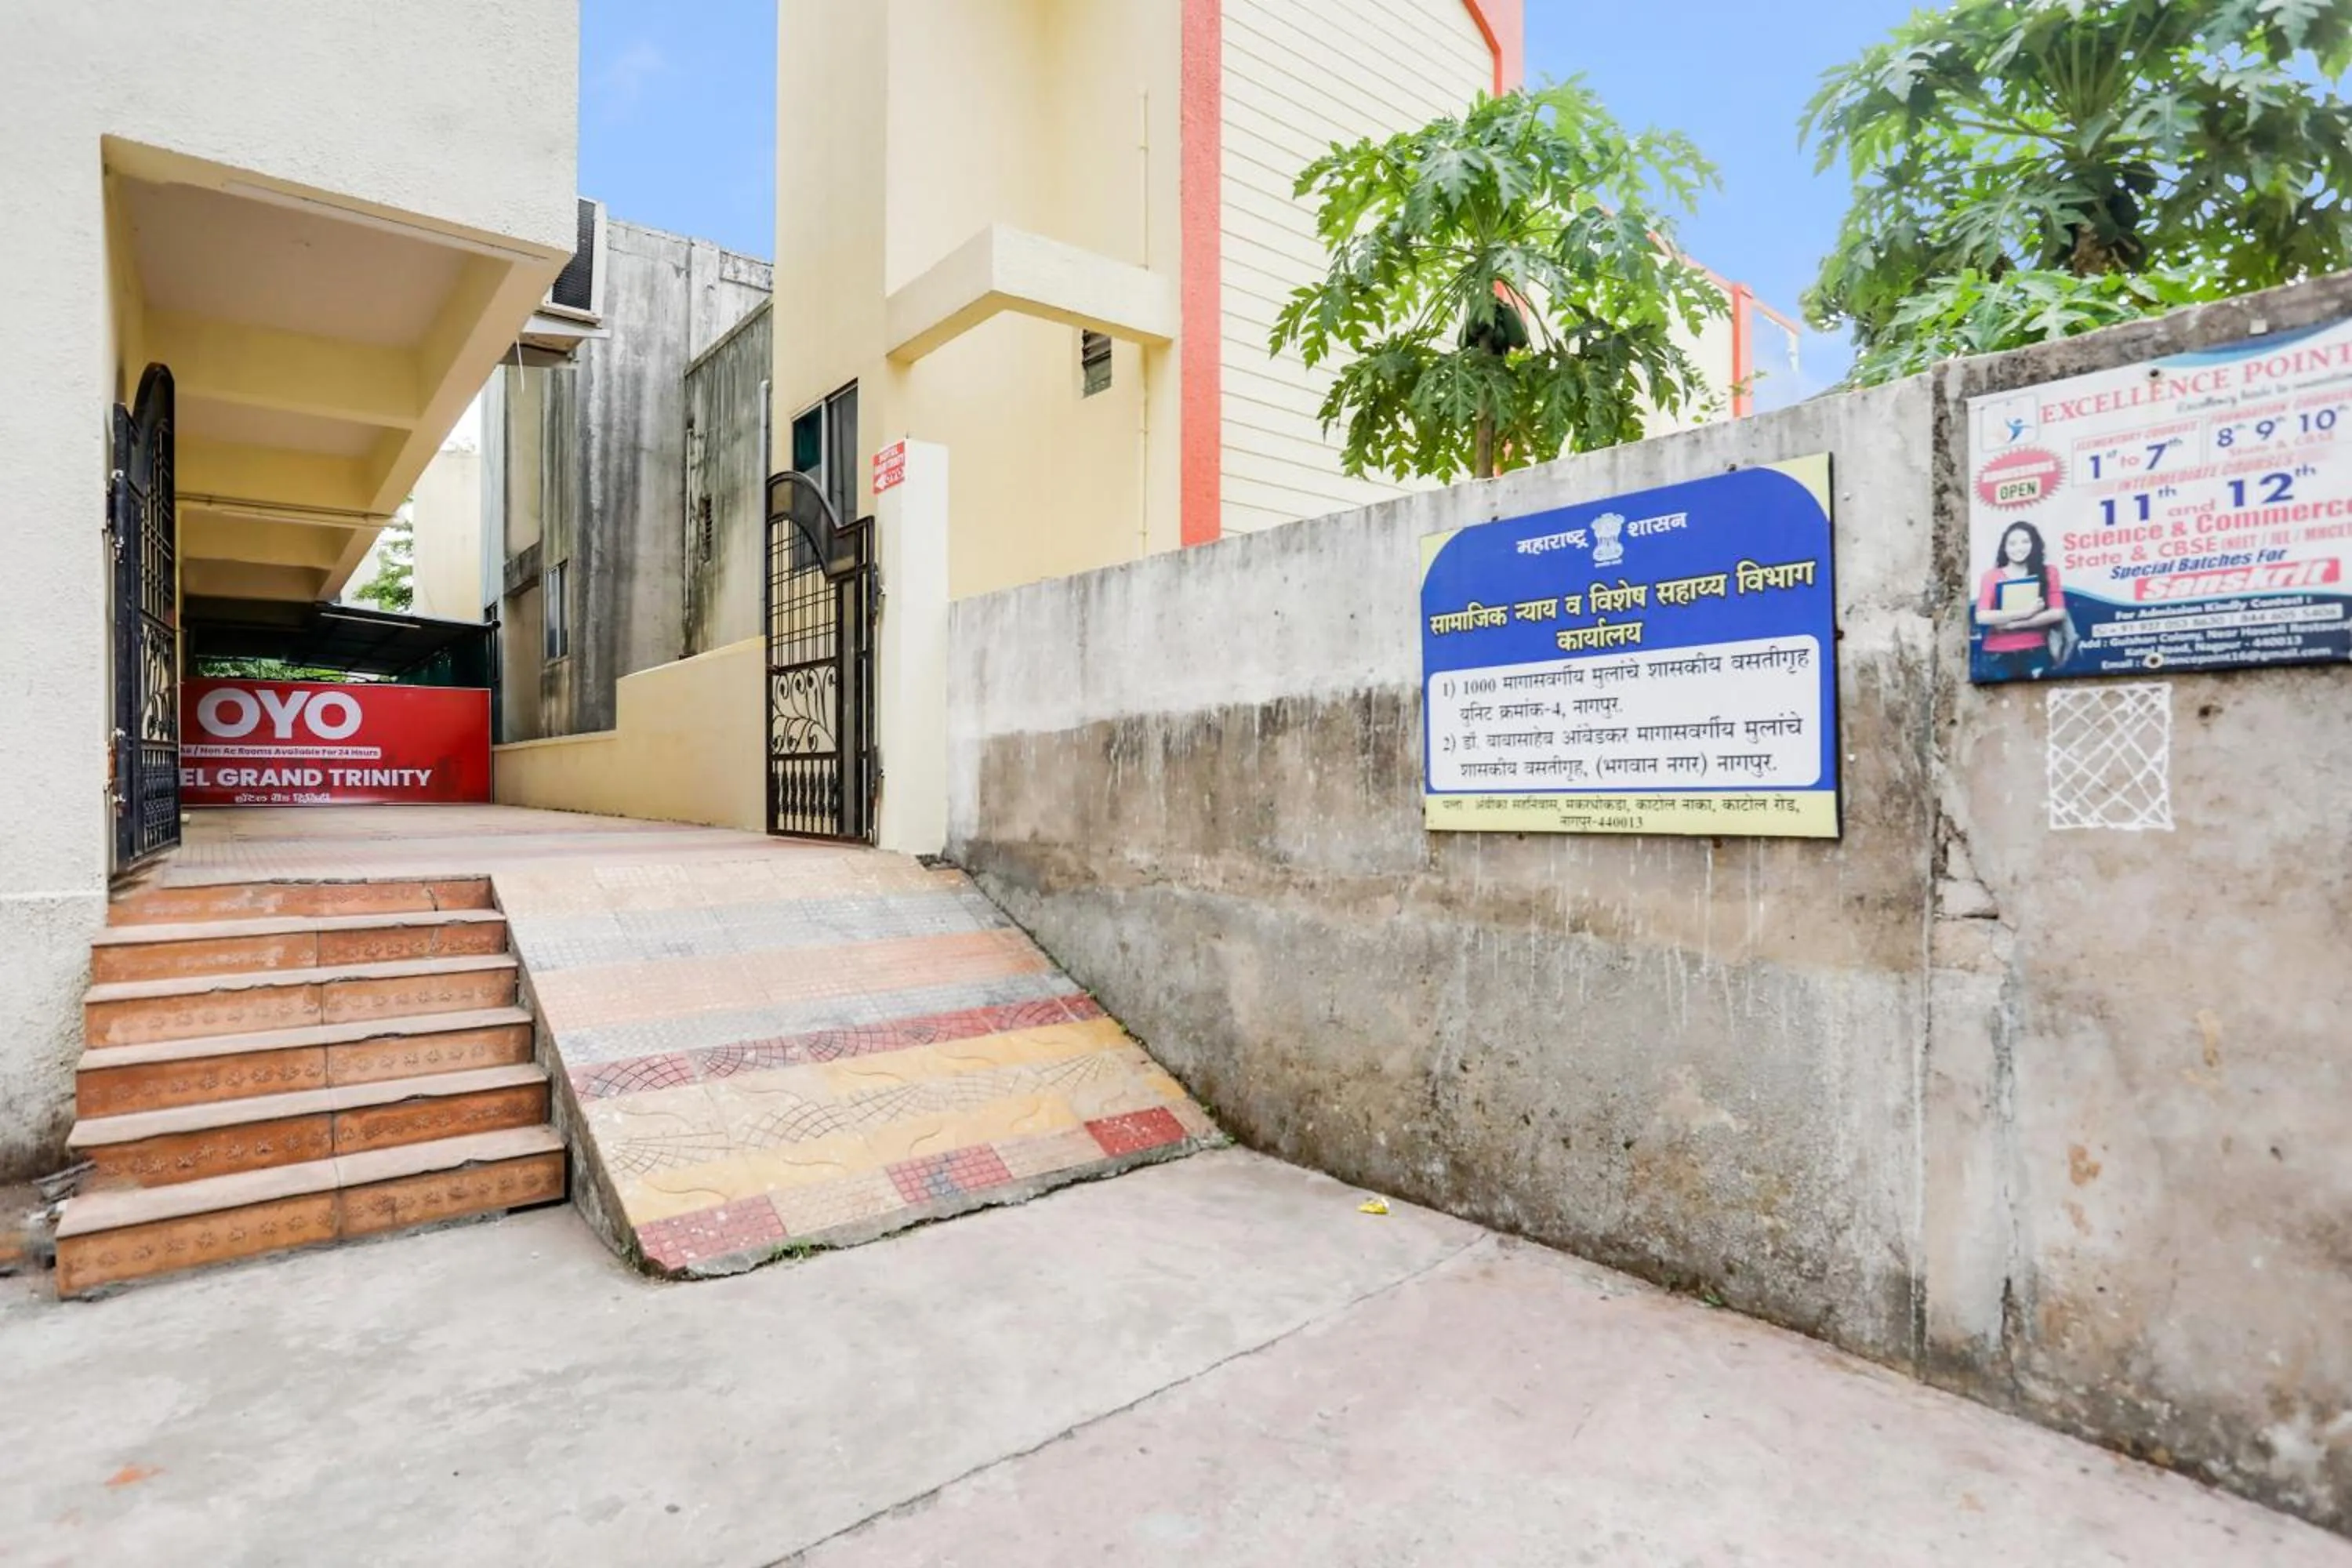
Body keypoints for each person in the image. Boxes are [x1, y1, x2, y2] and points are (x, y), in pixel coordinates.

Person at [1974, 520, 2070, 679]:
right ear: (2004, 547)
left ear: (2035, 544)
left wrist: (2014, 625)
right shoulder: (1991, 577)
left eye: (2025, 542)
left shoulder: (2049, 572)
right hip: (1997, 654)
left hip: (2036, 651)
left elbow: (2058, 612)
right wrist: (2025, 612)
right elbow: (1982, 616)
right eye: (2012, 543)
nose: (2019, 548)